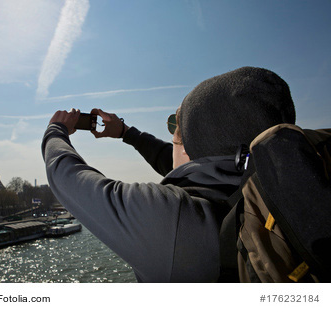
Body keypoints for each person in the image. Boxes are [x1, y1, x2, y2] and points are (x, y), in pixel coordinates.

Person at [41, 66, 296, 282]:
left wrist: (56, 130)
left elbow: (68, 178)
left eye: (175, 126)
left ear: (192, 145)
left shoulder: (171, 218)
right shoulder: (280, 188)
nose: (171, 135)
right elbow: (185, 166)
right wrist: (125, 132)